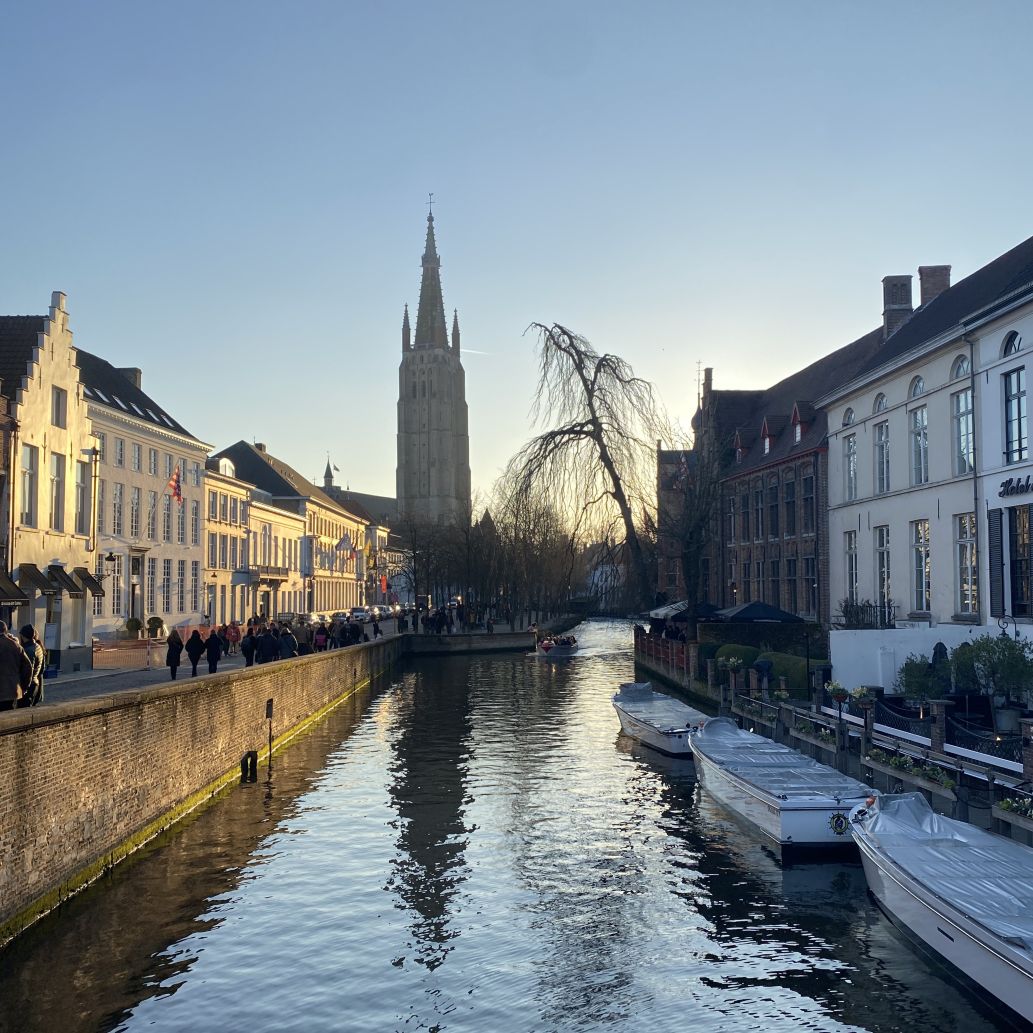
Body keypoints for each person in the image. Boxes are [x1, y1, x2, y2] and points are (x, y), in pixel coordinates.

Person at [0, 621, 32, 712]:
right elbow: (28, 668)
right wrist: (23, 687)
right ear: (5, 631)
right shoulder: (16, 646)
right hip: (12, 691)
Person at [18, 625, 45, 707]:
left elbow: (28, 671)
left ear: (23, 636)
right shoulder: (37, 646)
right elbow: (41, 669)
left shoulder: (29, 650)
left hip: (29, 686)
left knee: (23, 710)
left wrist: (24, 688)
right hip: (34, 683)